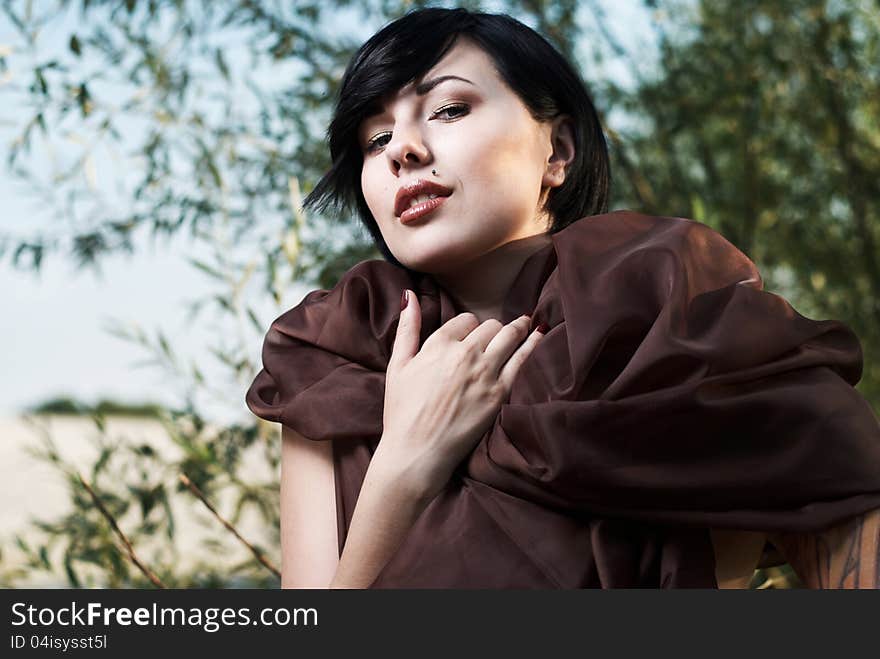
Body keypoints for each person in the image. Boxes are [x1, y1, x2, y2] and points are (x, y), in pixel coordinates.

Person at [246, 7, 880, 588]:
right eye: (375, 140)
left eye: (449, 109)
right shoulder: (332, 356)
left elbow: (847, 492)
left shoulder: (677, 322)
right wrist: (402, 468)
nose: (403, 151)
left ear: (559, 150)